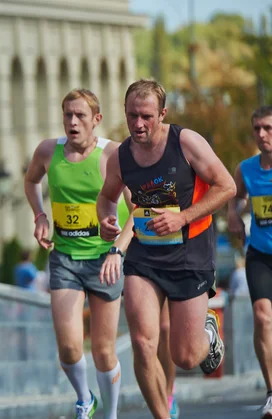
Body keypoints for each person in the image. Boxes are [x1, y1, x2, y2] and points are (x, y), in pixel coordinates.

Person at [97, 79, 236, 419]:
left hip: (190, 253)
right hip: (144, 257)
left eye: (146, 116)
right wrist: (105, 220)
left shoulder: (185, 142)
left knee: (185, 357)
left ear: (162, 113)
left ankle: (207, 329)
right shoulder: (121, 156)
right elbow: (106, 197)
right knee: (144, 344)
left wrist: (182, 218)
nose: (138, 124)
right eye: (132, 116)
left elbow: (227, 187)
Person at [24, 89, 134, 419]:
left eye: (80, 115)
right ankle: (85, 398)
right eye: (67, 114)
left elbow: (139, 207)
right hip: (65, 257)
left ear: (96, 120)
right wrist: (40, 216)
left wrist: (118, 250)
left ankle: (111, 413)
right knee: (70, 347)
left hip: (105, 258)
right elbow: (31, 182)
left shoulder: (112, 154)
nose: (73, 121)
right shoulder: (47, 150)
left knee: (103, 349)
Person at [227, 105, 272, 418]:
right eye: (257, 128)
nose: (261, 134)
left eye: (268, 127)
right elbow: (236, 197)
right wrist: (234, 214)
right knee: (262, 317)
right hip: (260, 253)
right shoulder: (246, 169)